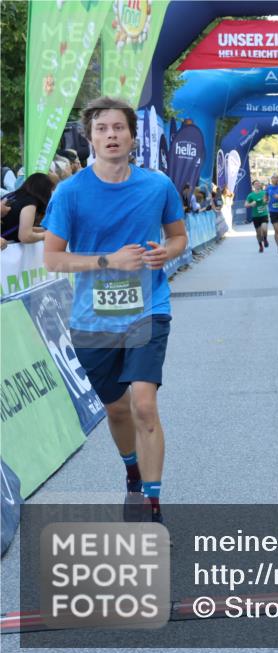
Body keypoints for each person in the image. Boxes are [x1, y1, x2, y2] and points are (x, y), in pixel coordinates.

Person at [42, 96, 188, 524]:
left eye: (118, 128)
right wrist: (108, 261)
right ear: (89, 138)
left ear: (131, 137)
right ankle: (131, 473)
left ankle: (153, 508)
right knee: (117, 409)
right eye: (102, 129)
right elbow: (53, 258)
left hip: (148, 307)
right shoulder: (69, 193)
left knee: (143, 405)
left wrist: (167, 252)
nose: (111, 135)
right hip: (93, 316)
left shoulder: (156, 185)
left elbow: (178, 237)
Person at [1, 173, 54, 244]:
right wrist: (46, 236)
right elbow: (25, 236)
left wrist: (45, 230)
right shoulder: (30, 203)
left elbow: (20, 227)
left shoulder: (12, 195)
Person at [245, 180, 270, 253]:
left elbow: (267, 201)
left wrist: (266, 201)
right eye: (255, 184)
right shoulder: (250, 195)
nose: (257, 185)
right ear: (253, 186)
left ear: (260, 185)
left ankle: (265, 239)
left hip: (264, 214)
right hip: (255, 216)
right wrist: (251, 204)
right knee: (258, 234)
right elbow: (246, 205)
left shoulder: (264, 193)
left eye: (258, 183)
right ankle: (260, 246)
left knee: (264, 229)